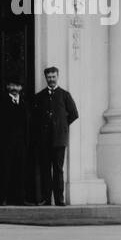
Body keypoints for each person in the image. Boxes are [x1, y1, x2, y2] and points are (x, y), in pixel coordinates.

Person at [32, 65, 79, 206]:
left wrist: (61, 126)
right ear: (45, 78)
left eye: (53, 77)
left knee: (58, 169)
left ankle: (59, 199)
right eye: (49, 77)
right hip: (44, 140)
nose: (51, 79)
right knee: (46, 169)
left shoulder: (65, 95)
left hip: (59, 140)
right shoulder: (39, 96)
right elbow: (35, 118)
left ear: (57, 77)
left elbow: (74, 114)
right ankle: (47, 199)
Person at [0, 78, 30, 206]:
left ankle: (19, 199)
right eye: (12, 85)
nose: (15, 88)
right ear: (8, 86)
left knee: (20, 171)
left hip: (20, 144)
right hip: (6, 144)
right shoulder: (1, 102)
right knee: (5, 170)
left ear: (21, 88)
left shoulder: (24, 104)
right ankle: (2, 198)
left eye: (17, 86)